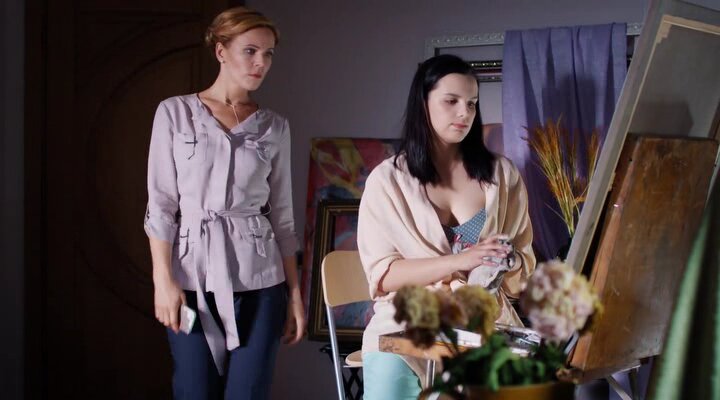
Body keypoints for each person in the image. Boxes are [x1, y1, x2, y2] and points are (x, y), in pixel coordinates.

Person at [144, 6, 304, 399]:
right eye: (250, 51)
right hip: (190, 278)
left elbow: (283, 219)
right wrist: (162, 280)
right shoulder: (174, 113)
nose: (261, 62)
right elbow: (161, 205)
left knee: (248, 393)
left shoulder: (274, 126)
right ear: (221, 51)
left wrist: (295, 296)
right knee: (194, 389)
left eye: (268, 54)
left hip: (262, 281)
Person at [357, 54, 536, 399]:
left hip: (482, 322)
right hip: (405, 321)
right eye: (451, 101)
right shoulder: (387, 181)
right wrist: (460, 261)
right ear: (423, 104)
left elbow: (520, 276)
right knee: (390, 377)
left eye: (471, 103)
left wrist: (508, 260)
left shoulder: (502, 175)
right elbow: (384, 277)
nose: (464, 113)